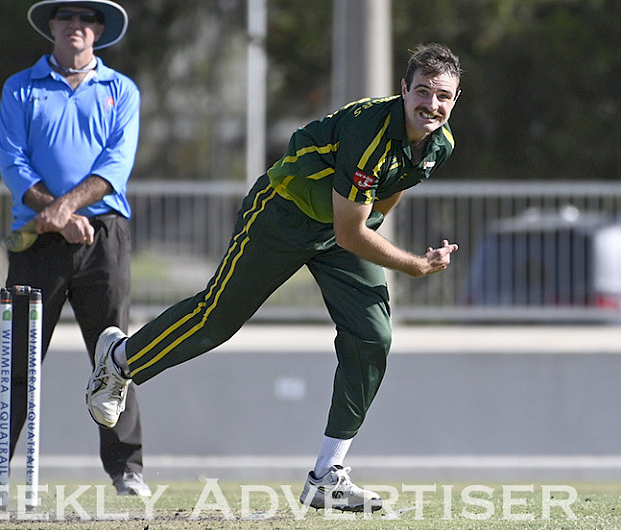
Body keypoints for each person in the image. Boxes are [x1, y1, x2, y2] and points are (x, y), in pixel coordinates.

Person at [86, 43, 463, 511]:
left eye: (443, 96)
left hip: (340, 228)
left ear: (455, 99)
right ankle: (120, 360)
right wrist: (414, 265)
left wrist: (372, 234)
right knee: (216, 319)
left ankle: (327, 477)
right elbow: (351, 233)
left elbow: (386, 194)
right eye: (422, 91)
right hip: (283, 214)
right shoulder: (370, 133)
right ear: (403, 89)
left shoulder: (440, 144)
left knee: (373, 336)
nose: (432, 104)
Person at [0, 0, 150, 496]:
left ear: (99, 29)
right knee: (18, 357)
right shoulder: (21, 87)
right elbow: (13, 163)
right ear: (52, 25)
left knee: (115, 356)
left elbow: (116, 164)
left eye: (87, 18)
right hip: (37, 241)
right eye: (67, 16)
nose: (77, 25)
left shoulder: (121, 90)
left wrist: (67, 209)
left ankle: (126, 470)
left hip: (103, 238)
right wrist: (57, 215)